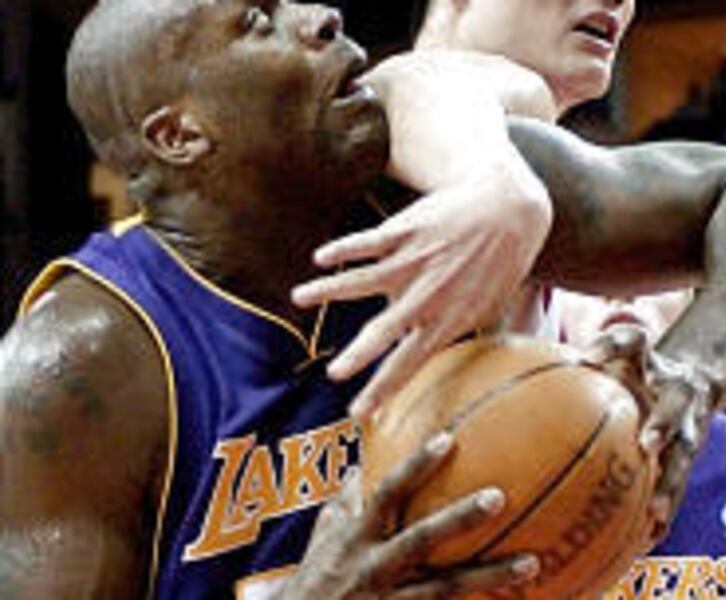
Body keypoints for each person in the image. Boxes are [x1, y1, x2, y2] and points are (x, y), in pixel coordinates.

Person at [0, 1, 557, 598]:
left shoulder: (447, 201)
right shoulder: (80, 361)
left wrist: (671, 380)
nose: (326, 16)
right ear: (180, 134)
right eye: (259, 21)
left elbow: (672, 207)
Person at [292, 0, 726, 528]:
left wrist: (688, 374)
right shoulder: (375, 124)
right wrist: (495, 181)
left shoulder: (564, 194)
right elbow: (410, 83)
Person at [559, 291, 726, 599]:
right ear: (547, 307)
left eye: (656, 271)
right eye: (593, 272)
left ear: (693, 297)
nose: (623, 294)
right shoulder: (498, 470)